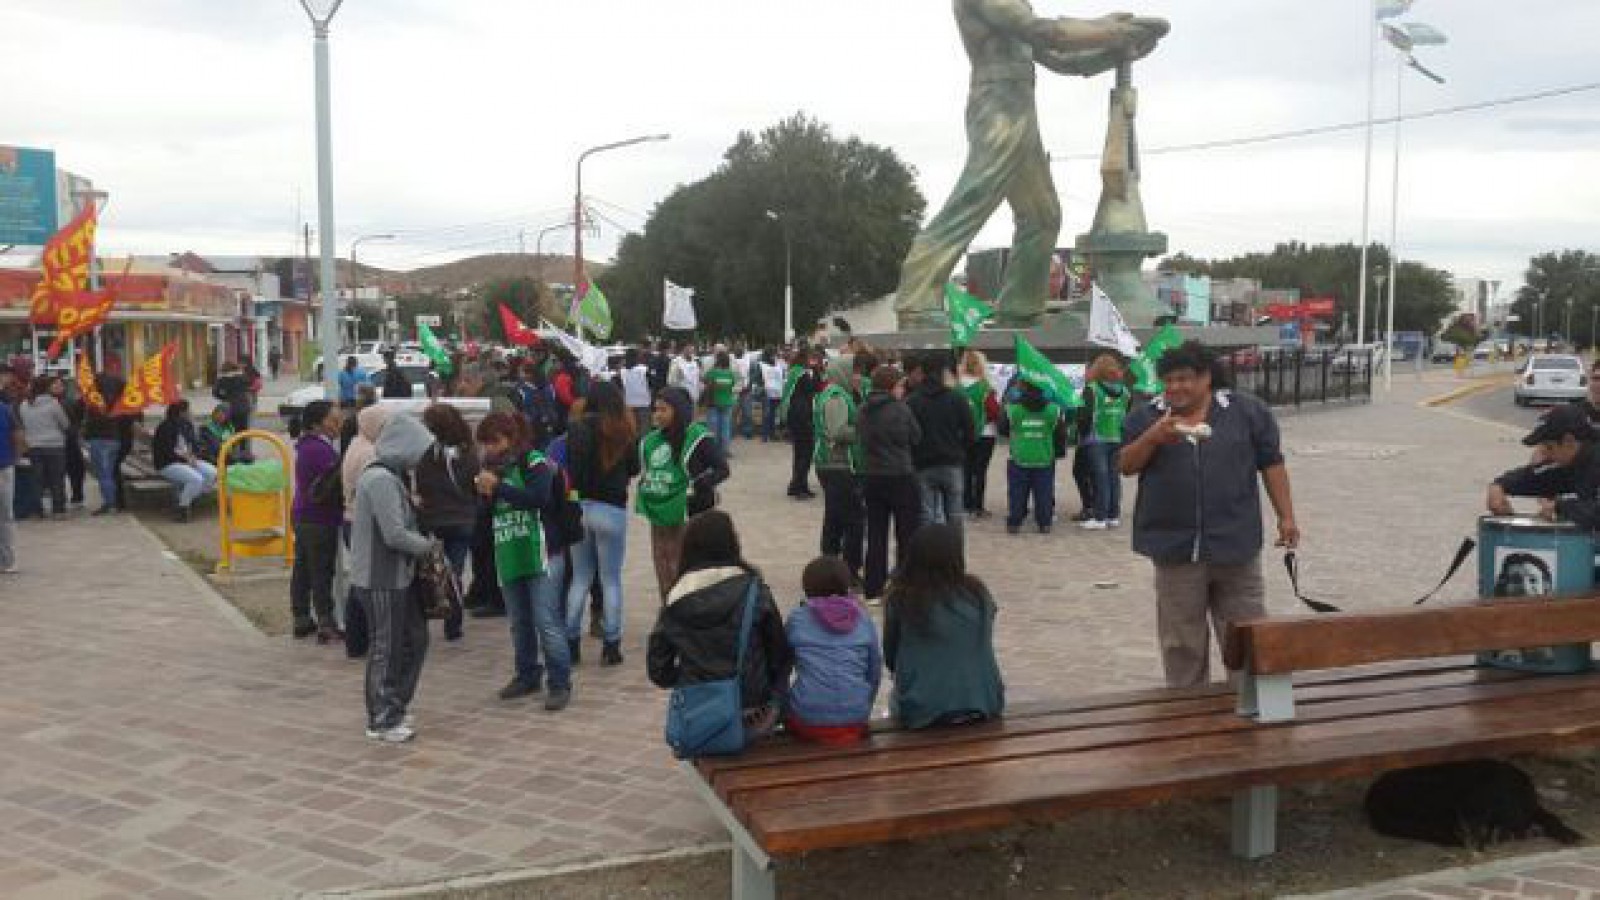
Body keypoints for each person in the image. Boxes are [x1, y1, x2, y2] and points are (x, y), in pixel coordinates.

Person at [1121, 341, 1299, 689]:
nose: (1175, 388)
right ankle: (1188, 711)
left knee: (1246, 635)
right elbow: (1126, 466)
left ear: (1206, 379)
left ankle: (1250, 703)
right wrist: (1153, 438)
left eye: (1184, 379)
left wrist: (1286, 516)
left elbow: (1271, 463)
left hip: (1236, 545)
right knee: (1181, 643)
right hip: (1174, 549)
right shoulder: (1146, 417)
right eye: (1168, 380)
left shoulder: (1246, 411)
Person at [646, 511, 792, 741]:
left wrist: (690, 676)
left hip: (700, 711)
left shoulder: (675, 599)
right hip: (754, 711)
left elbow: (658, 670)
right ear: (732, 544)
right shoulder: (754, 591)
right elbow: (780, 655)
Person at [475, 412, 574, 712]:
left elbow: (539, 498)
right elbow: (489, 511)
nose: (490, 448)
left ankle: (559, 681)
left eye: (494, 441)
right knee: (519, 621)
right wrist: (484, 495)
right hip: (510, 549)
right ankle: (527, 673)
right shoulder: (492, 468)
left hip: (542, 550)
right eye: (486, 443)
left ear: (511, 438)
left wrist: (498, 488)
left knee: (546, 620)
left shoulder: (534, 461)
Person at [350, 414, 439, 744]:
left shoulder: (390, 477)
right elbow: (395, 534)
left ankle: (395, 704)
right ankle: (382, 717)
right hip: (380, 577)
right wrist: (428, 547)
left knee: (414, 639)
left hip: (395, 576)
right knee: (386, 647)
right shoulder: (381, 480)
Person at [883, 524, 1004, 729]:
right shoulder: (978, 594)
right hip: (983, 703)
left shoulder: (902, 597)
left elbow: (891, 657)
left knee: (894, 705)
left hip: (924, 710)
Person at [565, 381, 640, 666]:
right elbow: (634, 468)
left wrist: (573, 500)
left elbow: (573, 471)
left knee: (581, 577)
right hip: (612, 507)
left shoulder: (577, 429)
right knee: (610, 580)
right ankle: (611, 645)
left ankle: (571, 641)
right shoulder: (624, 429)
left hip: (582, 505)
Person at [636, 386, 729, 599]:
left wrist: (700, 485)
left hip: (690, 513)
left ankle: (689, 611)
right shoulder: (652, 440)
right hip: (659, 512)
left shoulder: (698, 437)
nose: (657, 415)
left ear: (678, 410)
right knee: (663, 565)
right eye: (655, 409)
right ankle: (669, 610)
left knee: (686, 567)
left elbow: (722, 469)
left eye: (663, 410)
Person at [784, 556, 881, 745]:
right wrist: (863, 705)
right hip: (856, 716)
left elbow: (782, 665)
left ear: (807, 589)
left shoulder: (797, 619)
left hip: (808, 718)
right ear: (847, 586)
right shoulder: (863, 619)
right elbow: (874, 670)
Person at [415, 403, 480, 643]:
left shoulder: (428, 454)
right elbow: (475, 487)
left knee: (432, 570)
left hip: (434, 519)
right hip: (462, 519)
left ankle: (430, 609)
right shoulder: (468, 453)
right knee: (456, 571)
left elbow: (422, 485)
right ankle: (454, 624)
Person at [858, 365, 923, 600]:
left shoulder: (863, 409)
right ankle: (904, 586)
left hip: (873, 475)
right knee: (906, 533)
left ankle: (873, 587)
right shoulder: (901, 410)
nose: (903, 390)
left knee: (876, 534)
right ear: (891, 387)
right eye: (900, 386)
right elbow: (916, 437)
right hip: (900, 474)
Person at [1488, 403, 1600, 530]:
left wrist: (1560, 507)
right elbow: (1539, 475)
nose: (1545, 453)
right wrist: (1500, 485)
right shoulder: (1572, 460)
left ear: (1569, 441)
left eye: (1548, 447)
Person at [814, 352, 872, 587]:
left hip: (837, 464)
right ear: (844, 372)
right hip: (837, 465)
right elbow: (837, 431)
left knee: (836, 519)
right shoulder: (836, 397)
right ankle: (847, 570)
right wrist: (864, 429)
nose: (859, 377)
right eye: (856, 372)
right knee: (853, 521)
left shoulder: (843, 394)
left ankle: (831, 569)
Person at [340, 404, 393, 659]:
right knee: (366, 584)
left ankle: (356, 640)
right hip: (362, 522)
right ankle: (362, 638)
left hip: (351, 520)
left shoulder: (355, 445)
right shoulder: (369, 453)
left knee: (359, 581)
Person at [290, 400, 346, 643]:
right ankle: (326, 622)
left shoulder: (306, 446)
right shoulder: (321, 450)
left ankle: (302, 619)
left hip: (303, 515)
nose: (338, 425)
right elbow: (334, 485)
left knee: (302, 569)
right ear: (317, 424)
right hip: (319, 518)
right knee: (321, 571)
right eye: (333, 420)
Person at [907, 352, 975, 536]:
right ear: (944, 372)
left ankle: (929, 559)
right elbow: (970, 433)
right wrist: (959, 450)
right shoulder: (957, 398)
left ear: (923, 372)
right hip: (951, 462)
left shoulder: (913, 400)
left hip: (923, 464)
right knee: (954, 516)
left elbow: (907, 434)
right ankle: (954, 560)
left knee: (926, 517)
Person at [1002, 378, 1067, 534]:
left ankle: (1014, 523)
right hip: (1044, 456)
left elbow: (1002, 429)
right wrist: (1057, 452)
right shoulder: (1054, 409)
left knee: (1017, 491)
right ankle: (1044, 523)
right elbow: (1060, 434)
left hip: (1019, 455)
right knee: (1044, 491)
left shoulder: (1012, 409)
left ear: (1023, 387)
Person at [1079, 352, 1131, 530]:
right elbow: (1127, 415)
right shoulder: (1124, 392)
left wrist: (1083, 434)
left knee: (1100, 478)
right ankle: (1113, 516)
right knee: (1113, 478)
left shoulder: (1092, 389)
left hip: (1096, 440)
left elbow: (1084, 416)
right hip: (1117, 438)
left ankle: (1100, 518)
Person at [152, 401, 217, 523]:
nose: (191, 412)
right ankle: (182, 509)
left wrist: (194, 456)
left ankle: (186, 499)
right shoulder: (165, 427)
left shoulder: (187, 425)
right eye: (188, 410)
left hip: (187, 460)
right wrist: (186, 459)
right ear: (182, 413)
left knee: (212, 473)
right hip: (168, 463)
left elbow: (195, 445)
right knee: (196, 479)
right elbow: (167, 452)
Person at [18, 376, 71, 519]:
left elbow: (24, 424)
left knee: (37, 479)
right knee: (56, 478)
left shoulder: (24, 405)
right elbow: (65, 424)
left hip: (34, 446)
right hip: (55, 446)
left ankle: (36, 511)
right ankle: (58, 511)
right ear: (45, 388)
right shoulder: (53, 403)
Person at [959, 350, 1000, 519]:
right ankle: (978, 506)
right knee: (980, 471)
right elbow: (993, 411)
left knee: (965, 470)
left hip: (962, 434)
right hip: (985, 433)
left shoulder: (957, 387)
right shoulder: (985, 387)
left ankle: (965, 504)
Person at [83, 369, 128, 515]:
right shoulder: (118, 401)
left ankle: (110, 504)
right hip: (115, 440)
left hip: (100, 440)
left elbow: (90, 424)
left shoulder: (96, 403)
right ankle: (113, 502)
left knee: (104, 474)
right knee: (109, 472)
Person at [785, 351, 823, 500]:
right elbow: (816, 387)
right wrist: (816, 370)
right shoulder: (802, 375)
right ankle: (799, 486)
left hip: (794, 415)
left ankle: (797, 484)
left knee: (799, 453)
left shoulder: (794, 372)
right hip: (802, 416)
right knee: (806, 453)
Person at [703, 350, 739, 455]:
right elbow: (732, 385)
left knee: (713, 428)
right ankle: (725, 449)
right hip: (727, 402)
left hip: (714, 403)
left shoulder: (713, 372)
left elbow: (704, 379)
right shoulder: (730, 374)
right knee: (725, 427)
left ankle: (714, 450)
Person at [0, 370, 16, 574]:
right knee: (4, 515)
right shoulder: (4, 409)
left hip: (4, 465)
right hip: (4, 466)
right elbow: (18, 435)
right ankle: (7, 560)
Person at [213, 362, 253, 435]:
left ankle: (233, 445)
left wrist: (224, 398)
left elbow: (215, 392)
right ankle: (244, 445)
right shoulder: (242, 377)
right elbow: (249, 383)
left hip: (231, 407)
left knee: (232, 430)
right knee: (244, 431)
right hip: (244, 406)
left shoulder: (222, 379)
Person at [621, 348, 654, 437]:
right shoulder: (643, 369)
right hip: (644, 402)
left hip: (629, 403)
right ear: (637, 357)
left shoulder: (622, 371)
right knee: (645, 429)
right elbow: (652, 384)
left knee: (632, 428)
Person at [760, 350, 785, 443]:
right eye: (772, 356)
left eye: (774, 356)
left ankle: (772, 434)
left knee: (773, 415)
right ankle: (765, 435)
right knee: (767, 414)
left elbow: (782, 377)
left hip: (777, 394)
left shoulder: (779, 366)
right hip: (768, 393)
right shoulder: (762, 366)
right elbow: (759, 379)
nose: (774, 358)